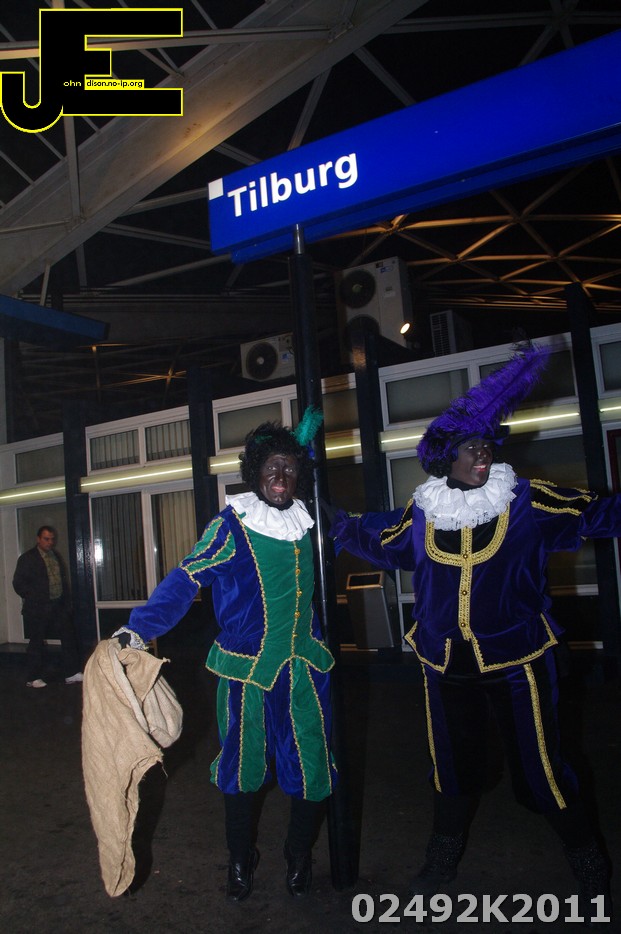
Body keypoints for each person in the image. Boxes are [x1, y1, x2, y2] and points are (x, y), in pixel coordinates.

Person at [331, 344, 619, 921]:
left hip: (518, 660)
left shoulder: (526, 501)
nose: (482, 453)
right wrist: (317, 517)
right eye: (469, 446)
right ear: (446, 458)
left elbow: (597, 513)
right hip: (444, 665)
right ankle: (442, 857)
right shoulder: (423, 512)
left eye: (486, 444)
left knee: (541, 765)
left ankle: (586, 856)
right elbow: (372, 535)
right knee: (450, 766)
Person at [113, 408, 338, 901]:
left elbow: (361, 536)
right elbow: (186, 577)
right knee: (242, 768)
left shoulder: (309, 522)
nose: (281, 476)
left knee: (312, 766)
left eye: (289, 467)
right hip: (246, 674)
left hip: (304, 671)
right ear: (255, 473)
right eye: (272, 466)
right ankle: (240, 857)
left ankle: (299, 852)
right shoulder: (232, 526)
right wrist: (138, 628)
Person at [13, 525, 83, 688]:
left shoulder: (55, 555)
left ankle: (71, 673)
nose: (50, 542)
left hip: (57, 605)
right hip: (38, 607)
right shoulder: (27, 558)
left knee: (68, 637)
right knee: (37, 641)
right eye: (46, 539)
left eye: (52, 539)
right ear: (38, 539)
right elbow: (18, 583)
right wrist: (33, 596)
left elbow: (61, 579)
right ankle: (33, 677)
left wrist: (66, 602)